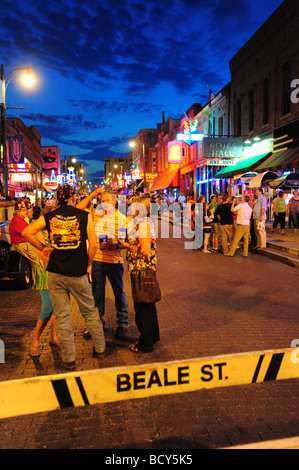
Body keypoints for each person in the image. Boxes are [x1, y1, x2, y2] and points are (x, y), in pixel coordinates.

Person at [22, 184, 106, 370]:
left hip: (55, 273)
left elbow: (26, 232)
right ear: (73, 197)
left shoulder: (49, 216)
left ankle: (69, 359)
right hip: (78, 273)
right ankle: (100, 349)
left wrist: (42, 248)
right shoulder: (84, 216)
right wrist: (88, 265)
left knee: (62, 317)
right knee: (90, 312)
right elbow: (93, 245)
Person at [78, 190, 129, 339]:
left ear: (114, 202)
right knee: (97, 294)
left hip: (114, 261)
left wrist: (115, 246)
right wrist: (94, 194)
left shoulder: (122, 219)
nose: (104, 203)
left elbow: (128, 243)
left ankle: (123, 323)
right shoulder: (96, 215)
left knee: (119, 293)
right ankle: (97, 324)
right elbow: (78, 208)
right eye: (102, 201)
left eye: (107, 200)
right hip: (98, 261)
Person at [118, 196, 160, 352]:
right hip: (143, 268)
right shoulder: (143, 223)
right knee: (148, 303)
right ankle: (153, 336)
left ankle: (146, 343)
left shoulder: (143, 224)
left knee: (142, 305)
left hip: (141, 267)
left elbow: (145, 250)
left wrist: (127, 245)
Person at [29, 205, 59, 357]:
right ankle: (35, 341)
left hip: (57, 273)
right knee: (47, 309)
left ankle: (54, 337)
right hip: (45, 274)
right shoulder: (38, 233)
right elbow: (43, 256)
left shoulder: (55, 232)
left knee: (56, 310)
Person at [9, 198, 37, 282]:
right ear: (18, 212)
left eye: (26, 210)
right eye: (24, 210)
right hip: (22, 244)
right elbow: (27, 233)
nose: (26, 212)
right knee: (37, 261)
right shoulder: (17, 220)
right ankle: (39, 281)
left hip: (23, 244)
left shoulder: (20, 220)